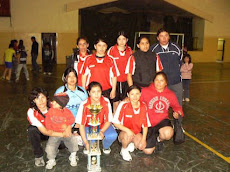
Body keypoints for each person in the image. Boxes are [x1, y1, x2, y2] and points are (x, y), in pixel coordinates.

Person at [140, 72, 184, 154]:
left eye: (161, 80)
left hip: (162, 121)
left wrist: (177, 112)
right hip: (148, 123)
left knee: (168, 133)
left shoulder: (170, 94)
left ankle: (159, 140)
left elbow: (177, 106)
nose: (158, 83)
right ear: (153, 81)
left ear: (166, 83)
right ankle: (150, 137)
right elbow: (136, 102)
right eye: (157, 80)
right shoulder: (145, 91)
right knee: (148, 151)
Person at [27, 87, 67, 167]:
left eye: (43, 97)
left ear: (47, 98)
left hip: (55, 131)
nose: (41, 101)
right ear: (34, 100)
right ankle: (38, 156)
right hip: (42, 132)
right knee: (31, 130)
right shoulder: (31, 112)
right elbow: (45, 131)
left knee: (64, 145)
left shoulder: (55, 106)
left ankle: (54, 146)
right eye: (37, 98)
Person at [75, 81, 118, 154]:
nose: (96, 94)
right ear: (89, 93)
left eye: (98, 91)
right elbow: (81, 125)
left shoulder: (106, 101)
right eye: (93, 92)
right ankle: (87, 145)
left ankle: (106, 146)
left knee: (113, 135)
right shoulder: (84, 104)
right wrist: (86, 143)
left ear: (101, 92)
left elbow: (108, 121)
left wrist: (102, 131)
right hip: (88, 127)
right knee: (91, 144)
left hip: (102, 125)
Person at [113, 85, 150, 161]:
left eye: (137, 94)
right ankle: (124, 149)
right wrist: (127, 130)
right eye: (132, 94)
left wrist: (143, 139)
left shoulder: (143, 106)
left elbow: (145, 125)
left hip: (136, 132)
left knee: (141, 146)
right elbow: (115, 123)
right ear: (128, 95)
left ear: (140, 94)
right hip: (124, 132)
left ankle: (131, 143)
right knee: (127, 136)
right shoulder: (123, 105)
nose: (135, 96)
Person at [45, 92, 78, 169]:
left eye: (55, 102)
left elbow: (72, 119)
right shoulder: (51, 111)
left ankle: (73, 155)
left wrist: (67, 125)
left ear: (61, 105)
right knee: (50, 146)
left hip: (66, 133)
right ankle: (51, 159)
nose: (53, 103)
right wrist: (49, 128)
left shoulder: (67, 111)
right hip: (55, 133)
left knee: (73, 140)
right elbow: (47, 120)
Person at [55, 67, 88, 145]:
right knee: (60, 144)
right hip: (65, 122)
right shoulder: (60, 91)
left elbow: (86, 109)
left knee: (87, 139)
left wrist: (80, 122)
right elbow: (56, 111)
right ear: (65, 78)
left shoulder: (82, 91)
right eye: (69, 76)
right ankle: (73, 134)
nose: (72, 79)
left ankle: (76, 134)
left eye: (74, 76)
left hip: (79, 122)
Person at [151, 28, 183, 105]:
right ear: (158, 38)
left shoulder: (176, 47)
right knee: (161, 104)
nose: (164, 38)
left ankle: (178, 117)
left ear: (169, 36)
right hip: (160, 83)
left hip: (176, 82)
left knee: (178, 105)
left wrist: (176, 73)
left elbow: (180, 61)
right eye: (161, 36)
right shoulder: (153, 49)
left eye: (166, 35)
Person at [107, 31, 133, 112]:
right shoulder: (111, 50)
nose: (121, 41)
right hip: (115, 82)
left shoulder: (130, 50)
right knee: (115, 102)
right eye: (119, 39)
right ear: (116, 40)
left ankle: (122, 121)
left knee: (124, 102)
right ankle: (115, 122)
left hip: (126, 81)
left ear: (127, 40)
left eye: (123, 39)